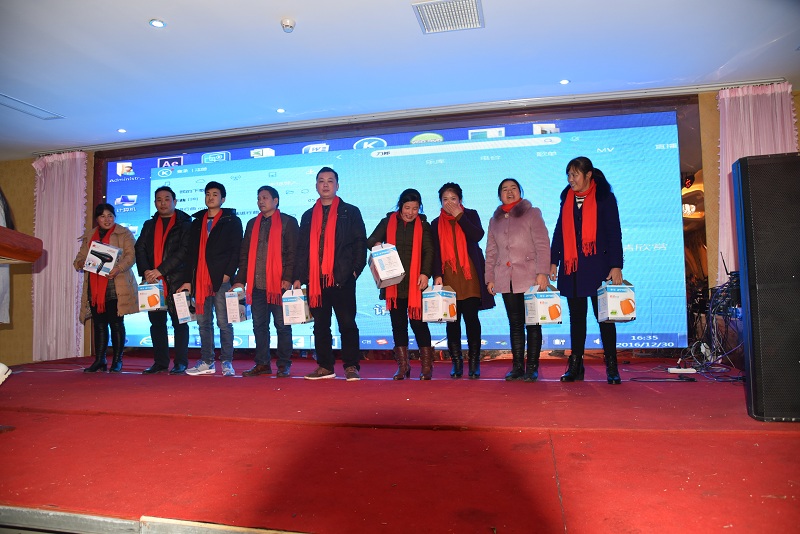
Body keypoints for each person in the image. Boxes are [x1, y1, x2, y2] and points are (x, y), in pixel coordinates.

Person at [550, 156, 624, 384]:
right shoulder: (567, 198)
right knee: (576, 319)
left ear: (588, 174)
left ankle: (612, 366)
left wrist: (616, 265)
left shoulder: (604, 197)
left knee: (605, 319)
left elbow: (614, 233)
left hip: (598, 267)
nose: (570, 179)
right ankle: (576, 365)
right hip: (572, 268)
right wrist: (553, 261)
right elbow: (559, 231)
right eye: (569, 175)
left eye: (575, 174)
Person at [293, 167, 367, 381]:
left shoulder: (350, 211)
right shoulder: (308, 215)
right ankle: (325, 366)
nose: (325, 184)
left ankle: (351, 366)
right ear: (316, 186)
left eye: (330, 180)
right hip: (316, 281)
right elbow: (302, 248)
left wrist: (355, 270)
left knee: (347, 324)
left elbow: (360, 242)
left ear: (337, 185)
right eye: (321, 181)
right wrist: (299, 276)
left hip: (342, 278)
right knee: (320, 326)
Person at [485, 179, 550, 381]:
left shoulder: (532, 213)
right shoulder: (494, 221)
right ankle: (517, 367)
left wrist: (543, 272)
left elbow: (542, 244)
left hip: (530, 278)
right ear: (499, 195)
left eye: (513, 188)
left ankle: (532, 367)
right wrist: (490, 277)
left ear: (520, 192)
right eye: (505, 189)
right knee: (515, 324)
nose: (509, 192)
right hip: (506, 279)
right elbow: (491, 252)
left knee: (533, 323)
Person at [232, 186, 299, 378]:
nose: (261, 201)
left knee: (282, 326)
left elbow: (293, 253)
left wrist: (288, 278)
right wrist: (240, 280)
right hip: (257, 285)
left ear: (275, 201)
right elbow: (245, 254)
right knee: (259, 326)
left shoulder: (288, 222)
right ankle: (262, 364)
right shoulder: (252, 224)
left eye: (265, 198)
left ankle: (284, 364)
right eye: (259, 198)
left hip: (279, 285)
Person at [367, 189, 434, 380]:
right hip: (393, 283)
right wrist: (377, 244)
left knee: (419, 325)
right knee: (398, 325)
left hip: (415, 283)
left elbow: (429, 251)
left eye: (415, 208)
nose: (411, 212)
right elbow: (370, 240)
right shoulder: (387, 222)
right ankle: (403, 367)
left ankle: (426, 367)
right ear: (400, 206)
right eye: (407, 208)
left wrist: (425, 274)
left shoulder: (423, 224)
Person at [178, 181, 243, 377]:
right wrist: (188, 279)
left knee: (224, 322)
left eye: (215, 194)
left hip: (221, 279)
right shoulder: (197, 222)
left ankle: (227, 362)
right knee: (203, 323)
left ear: (223, 199)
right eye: (208, 194)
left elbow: (236, 250)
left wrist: (228, 273)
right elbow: (191, 254)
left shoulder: (232, 221)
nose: (210, 197)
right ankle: (207, 361)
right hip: (199, 279)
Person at [430, 182, 495, 379]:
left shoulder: (471, 215)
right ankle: (456, 362)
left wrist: (459, 215)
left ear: (460, 200)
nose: (449, 203)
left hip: (470, 275)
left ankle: (474, 362)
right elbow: (435, 252)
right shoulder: (435, 223)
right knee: (452, 321)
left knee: (471, 319)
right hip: (449, 276)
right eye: (445, 199)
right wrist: (437, 275)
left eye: (453, 199)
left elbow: (477, 235)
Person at [73, 203, 139, 373]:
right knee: (99, 324)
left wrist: (118, 268)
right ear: (97, 219)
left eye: (110, 215)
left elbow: (131, 256)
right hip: (95, 287)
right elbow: (78, 259)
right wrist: (83, 263)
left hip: (116, 285)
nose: (107, 219)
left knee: (116, 324)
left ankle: (117, 360)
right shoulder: (90, 236)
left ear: (115, 217)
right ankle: (100, 360)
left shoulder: (124, 233)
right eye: (102, 216)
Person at [134, 186, 192, 374]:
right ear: (155, 203)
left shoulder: (186, 224)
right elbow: (140, 248)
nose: (163, 203)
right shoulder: (149, 225)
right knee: (157, 325)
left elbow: (184, 252)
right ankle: (160, 362)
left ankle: (181, 362)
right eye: (159, 200)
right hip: (153, 283)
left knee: (180, 323)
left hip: (177, 281)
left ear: (175, 201)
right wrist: (146, 271)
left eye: (167, 199)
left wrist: (160, 270)